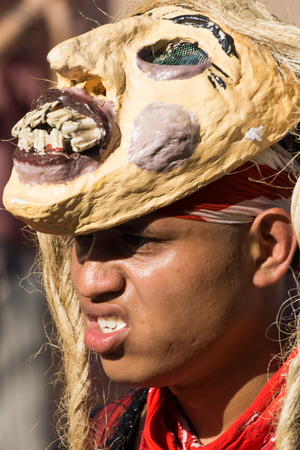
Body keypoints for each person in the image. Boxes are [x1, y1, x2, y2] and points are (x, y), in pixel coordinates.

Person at [3, 0, 300, 449]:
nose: (91, 280)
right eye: (82, 241)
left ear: (269, 246)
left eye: (137, 240)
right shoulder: (118, 435)